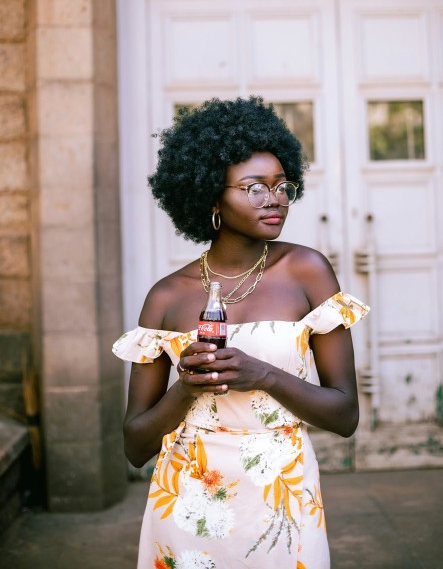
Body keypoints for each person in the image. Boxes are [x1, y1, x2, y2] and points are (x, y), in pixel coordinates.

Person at [113, 96, 369, 569]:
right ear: (211, 194)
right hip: (188, 505)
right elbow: (135, 445)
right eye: (254, 187)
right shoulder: (167, 298)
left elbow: (345, 415)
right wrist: (186, 389)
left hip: (283, 500)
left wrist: (264, 375)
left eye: (281, 186)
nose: (274, 199)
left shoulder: (306, 271)